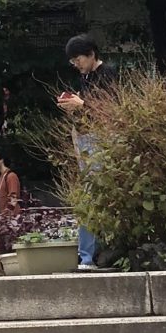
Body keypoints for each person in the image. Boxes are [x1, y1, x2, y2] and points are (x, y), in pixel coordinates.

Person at [57, 33, 111, 270]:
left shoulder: (108, 74)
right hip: (85, 140)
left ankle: (89, 255)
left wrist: (83, 105)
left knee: (93, 196)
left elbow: (111, 110)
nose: (76, 64)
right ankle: (88, 255)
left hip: (102, 140)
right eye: (73, 61)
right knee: (89, 196)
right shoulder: (85, 78)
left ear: (91, 54)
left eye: (78, 59)